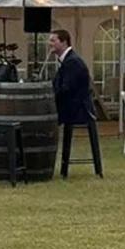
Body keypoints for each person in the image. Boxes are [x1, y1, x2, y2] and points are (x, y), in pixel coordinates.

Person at [50, 29, 102, 178]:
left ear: (64, 42)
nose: (50, 44)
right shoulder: (68, 60)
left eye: (53, 41)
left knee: (42, 120)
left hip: (79, 110)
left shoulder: (72, 61)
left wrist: (50, 100)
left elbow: (66, 89)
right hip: (73, 106)